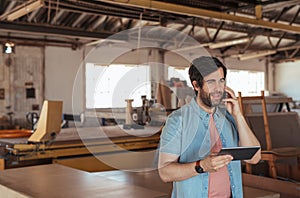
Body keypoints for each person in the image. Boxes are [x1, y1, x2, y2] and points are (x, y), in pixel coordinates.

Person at [158, 56, 261, 197]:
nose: (218, 88)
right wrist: (201, 166)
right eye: (211, 82)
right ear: (196, 85)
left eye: (221, 81)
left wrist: (238, 115)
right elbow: (165, 173)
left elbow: (254, 158)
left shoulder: (229, 118)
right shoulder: (178, 120)